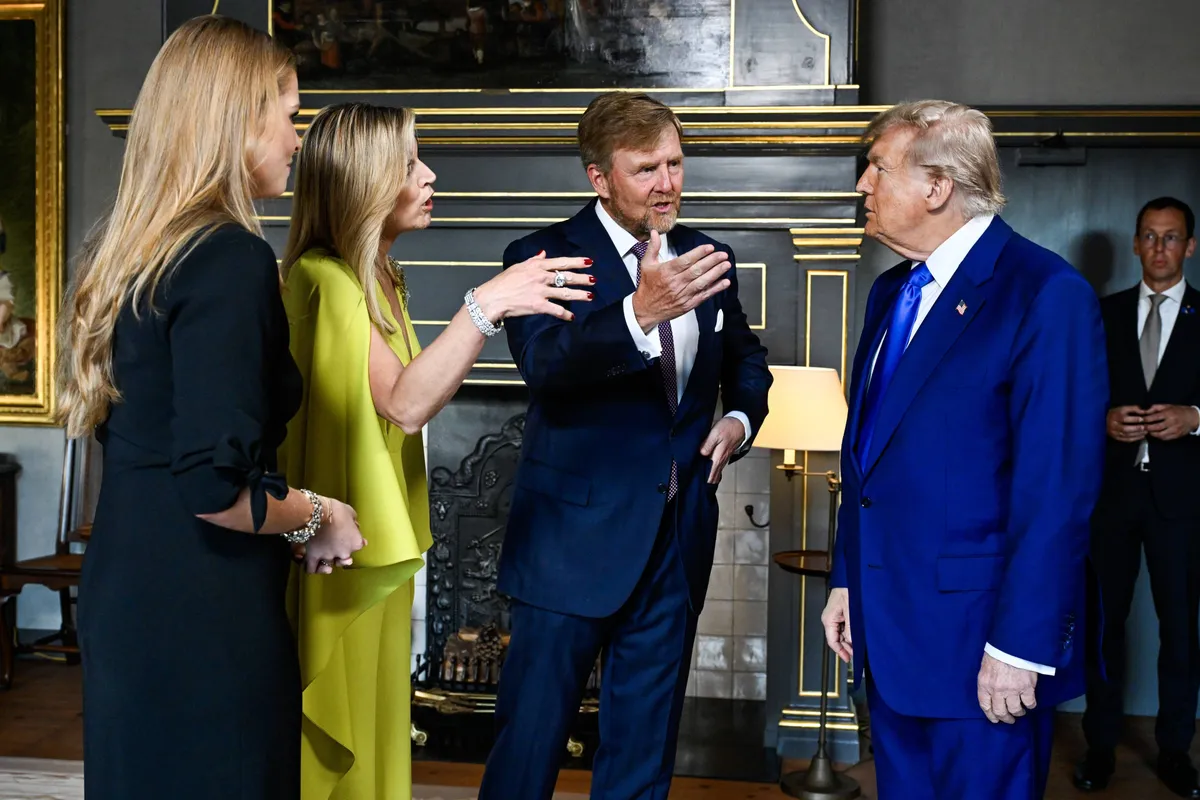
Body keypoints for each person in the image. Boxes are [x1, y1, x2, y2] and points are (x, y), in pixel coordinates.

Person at [56, 16, 366, 800]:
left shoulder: (137, 253)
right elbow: (212, 484)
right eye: (289, 115)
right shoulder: (229, 256)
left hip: (128, 587)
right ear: (238, 121)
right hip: (201, 611)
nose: (297, 139)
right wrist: (319, 516)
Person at [279, 102, 594, 800]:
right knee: (344, 740)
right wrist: (485, 305)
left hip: (377, 544)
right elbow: (405, 403)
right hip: (340, 552)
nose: (429, 175)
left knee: (378, 731)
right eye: (409, 164)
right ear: (363, 181)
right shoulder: (323, 278)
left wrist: (488, 310)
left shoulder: (380, 276)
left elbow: (418, 398)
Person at [476, 91, 772, 800]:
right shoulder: (540, 258)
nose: (667, 183)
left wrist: (740, 420)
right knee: (527, 752)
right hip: (568, 546)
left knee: (642, 757)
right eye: (645, 169)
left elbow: (746, 361)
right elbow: (546, 367)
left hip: (675, 541)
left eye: (675, 164)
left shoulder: (709, 257)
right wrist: (637, 313)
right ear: (599, 177)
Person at [820, 100, 1108, 800]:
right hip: (890, 636)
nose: (862, 184)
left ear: (937, 186)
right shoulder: (890, 292)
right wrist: (847, 578)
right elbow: (868, 458)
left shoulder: (1046, 294)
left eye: (878, 168)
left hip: (984, 651)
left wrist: (1020, 646)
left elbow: (1057, 491)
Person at [1075, 197, 1200, 797]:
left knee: (1180, 630)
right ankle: (1099, 747)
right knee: (1106, 626)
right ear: (1134, 244)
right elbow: (1076, 395)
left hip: (1182, 502)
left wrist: (1195, 417)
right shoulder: (1103, 315)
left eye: (1171, 238)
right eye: (1149, 236)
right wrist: (1102, 419)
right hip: (1113, 498)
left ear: (1189, 247)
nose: (1159, 248)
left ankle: (1175, 751)